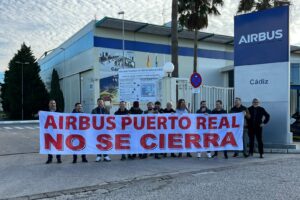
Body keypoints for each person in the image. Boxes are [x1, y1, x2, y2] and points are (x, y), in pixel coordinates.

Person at [45, 99, 62, 164]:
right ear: (49, 104)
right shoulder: (46, 112)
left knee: (58, 145)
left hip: (57, 131)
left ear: (56, 104)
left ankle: (58, 158)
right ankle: (50, 158)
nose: (53, 104)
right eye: (51, 103)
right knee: (49, 146)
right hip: (49, 132)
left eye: (54, 103)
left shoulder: (59, 111)